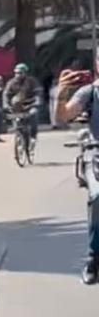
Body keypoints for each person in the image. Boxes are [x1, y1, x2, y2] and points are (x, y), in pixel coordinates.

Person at [53, 69, 99, 284]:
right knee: (98, 196)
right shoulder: (89, 92)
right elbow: (63, 116)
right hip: (96, 154)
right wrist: (60, 93)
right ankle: (93, 257)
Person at [4, 63, 41, 144]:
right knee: (15, 120)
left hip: (30, 105)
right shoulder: (11, 83)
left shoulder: (32, 81)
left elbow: (38, 93)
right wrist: (6, 105)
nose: (18, 75)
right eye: (16, 73)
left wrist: (37, 101)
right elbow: (6, 95)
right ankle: (18, 135)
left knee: (34, 113)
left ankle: (33, 136)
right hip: (16, 107)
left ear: (25, 73)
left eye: (20, 73)